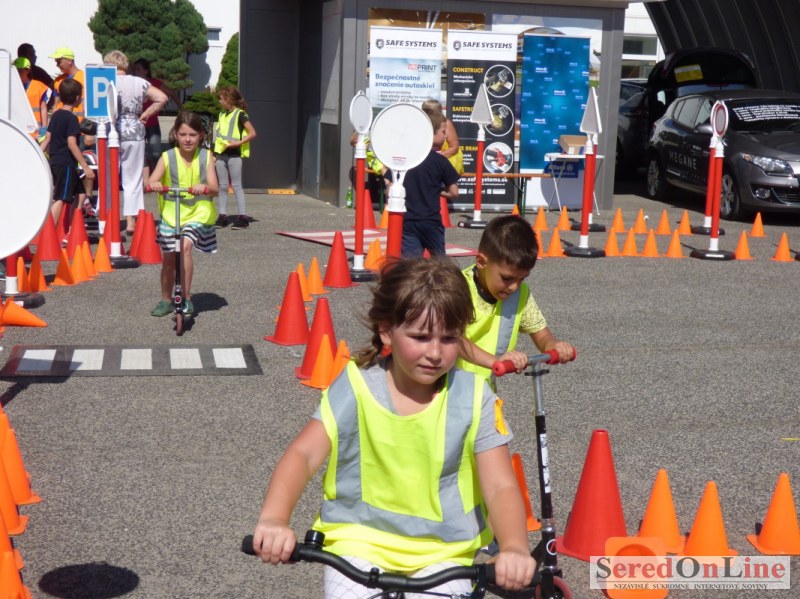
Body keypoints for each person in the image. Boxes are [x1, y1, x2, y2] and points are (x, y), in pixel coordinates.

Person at [252, 257, 536, 598]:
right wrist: (274, 518)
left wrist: (515, 547)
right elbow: (303, 454)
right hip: (358, 543)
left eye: (449, 338)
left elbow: (500, 485)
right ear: (386, 330)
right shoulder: (356, 385)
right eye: (420, 337)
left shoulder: (475, 397)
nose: (435, 353)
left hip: (444, 553)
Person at [457, 215, 574, 385]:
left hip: (483, 391)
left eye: (522, 279)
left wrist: (553, 345)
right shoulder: (457, 290)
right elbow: (453, 339)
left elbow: (540, 332)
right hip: (447, 389)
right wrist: (494, 361)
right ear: (482, 262)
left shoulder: (519, 294)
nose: (514, 287)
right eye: (507, 278)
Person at [148, 111, 219, 318]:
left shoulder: (206, 157)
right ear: (175, 135)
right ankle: (165, 299)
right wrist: (155, 184)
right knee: (169, 259)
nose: (188, 139)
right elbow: (151, 181)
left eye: (193, 135)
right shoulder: (167, 157)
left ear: (201, 136)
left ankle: (186, 298)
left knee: (184, 247)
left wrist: (204, 187)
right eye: (183, 134)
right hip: (172, 215)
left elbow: (215, 188)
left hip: (198, 213)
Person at [104, 50, 168, 235]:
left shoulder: (105, 81)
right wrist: (146, 113)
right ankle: (131, 221)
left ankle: (109, 217)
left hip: (111, 131)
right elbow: (162, 98)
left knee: (109, 177)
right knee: (133, 178)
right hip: (134, 130)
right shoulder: (139, 82)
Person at [383, 111, 459, 257]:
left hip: (408, 221)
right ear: (431, 133)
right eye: (443, 131)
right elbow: (454, 192)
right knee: (439, 262)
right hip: (431, 221)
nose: (445, 136)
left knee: (412, 264)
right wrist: (437, 190)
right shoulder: (440, 161)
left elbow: (390, 189)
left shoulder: (404, 159)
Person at [38, 78, 95, 230]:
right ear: (77, 98)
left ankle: (70, 228)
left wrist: (38, 155)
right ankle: (47, 232)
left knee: (81, 193)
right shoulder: (72, 119)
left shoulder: (56, 115)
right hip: (66, 164)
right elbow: (72, 144)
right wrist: (85, 166)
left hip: (55, 161)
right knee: (61, 198)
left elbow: (47, 138)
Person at [131, 58, 183, 181]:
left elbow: (172, 92)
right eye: (135, 70)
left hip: (152, 124)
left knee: (156, 153)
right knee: (140, 154)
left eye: (138, 70)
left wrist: (181, 108)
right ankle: (144, 180)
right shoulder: (132, 83)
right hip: (137, 124)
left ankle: (157, 177)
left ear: (146, 71)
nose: (136, 72)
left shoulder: (154, 83)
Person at [213, 86, 257, 230]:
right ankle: (222, 216)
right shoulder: (221, 114)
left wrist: (238, 143)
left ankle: (243, 217)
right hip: (221, 155)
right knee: (222, 186)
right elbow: (218, 136)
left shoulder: (240, 114)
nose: (219, 101)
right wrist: (214, 154)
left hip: (234, 155)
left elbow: (252, 133)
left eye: (221, 98)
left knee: (237, 186)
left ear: (229, 99)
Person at [421, 98, 464, 175]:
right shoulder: (421, 122)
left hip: (446, 160)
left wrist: (436, 158)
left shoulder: (445, 123)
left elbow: (454, 147)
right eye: (425, 110)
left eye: (429, 111)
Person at [13, 57, 51, 138]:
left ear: (28, 70)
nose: (17, 73)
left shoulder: (39, 86)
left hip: (35, 131)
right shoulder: (10, 86)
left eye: (20, 71)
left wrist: (44, 127)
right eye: (15, 71)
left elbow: (43, 108)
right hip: (17, 129)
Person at [50, 47, 85, 121]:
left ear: (69, 61)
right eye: (56, 62)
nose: (57, 65)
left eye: (59, 62)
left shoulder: (85, 78)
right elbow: (55, 104)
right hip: (62, 123)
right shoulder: (58, 81)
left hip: (80, 124)